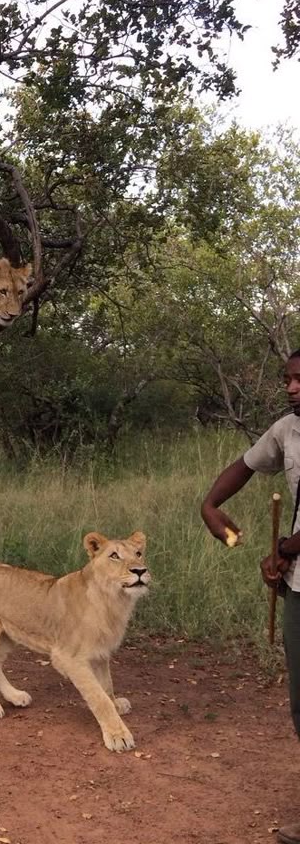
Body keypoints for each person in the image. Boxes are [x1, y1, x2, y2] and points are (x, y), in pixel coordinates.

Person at [201, 349, 300, 844]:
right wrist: (210, 504)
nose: (291, 387)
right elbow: (245, 465)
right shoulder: (288, 430)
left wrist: (285, 548)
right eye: (287, 379)